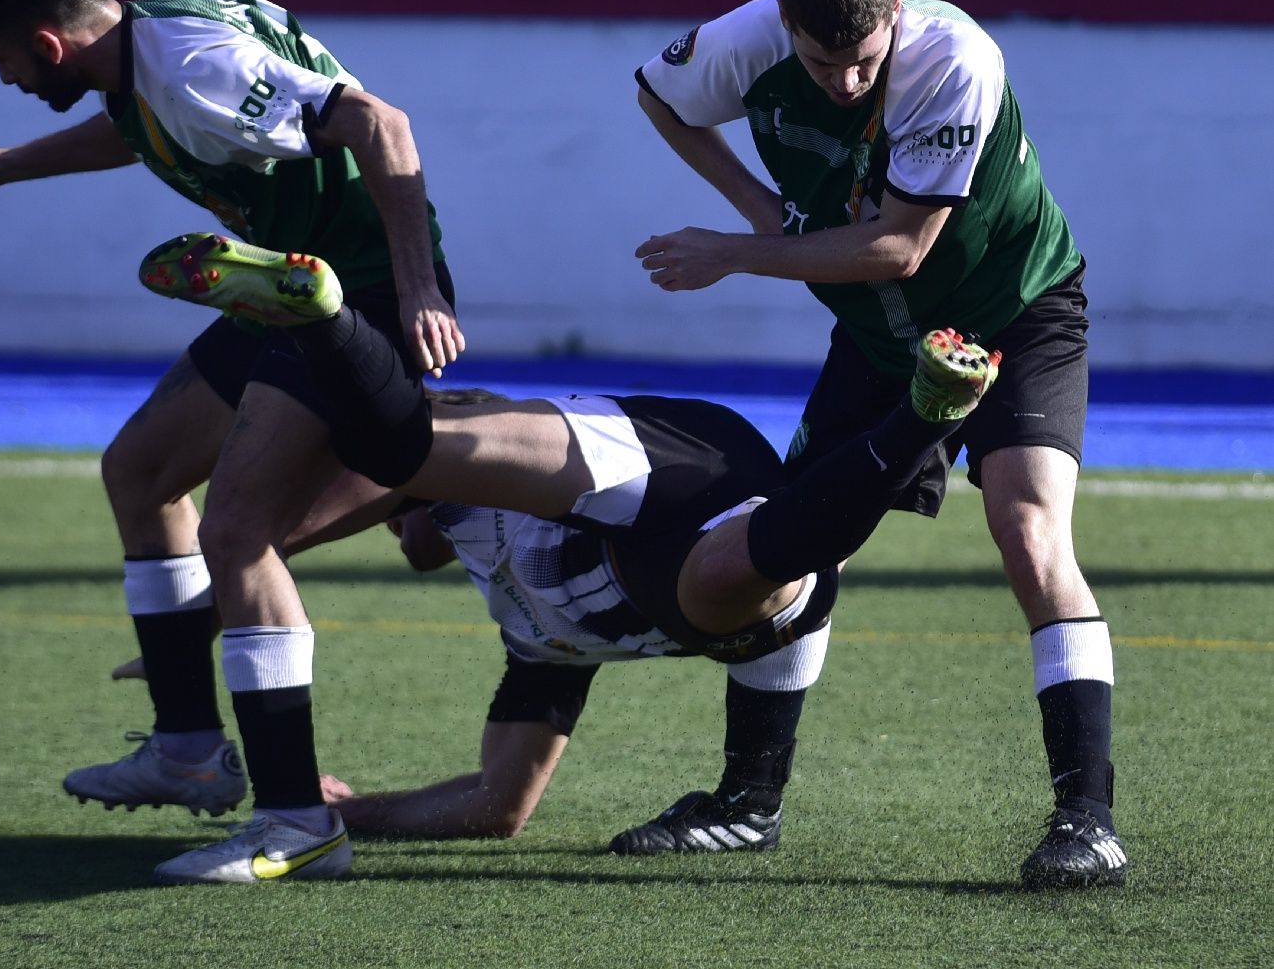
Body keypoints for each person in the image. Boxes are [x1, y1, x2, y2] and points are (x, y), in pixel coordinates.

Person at [131, 230, 1001, 878]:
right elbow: (498, 806)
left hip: (671, 460)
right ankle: (919, 419)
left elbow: (301, 523)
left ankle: (325, 318)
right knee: (728, 586)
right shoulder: (534, 639)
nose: (400, 539)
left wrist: (201, 614)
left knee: (407, 451)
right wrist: (356, 809)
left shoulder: (440, 486)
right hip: (711, 573)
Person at [0, 0, 466, 884]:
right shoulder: (147, 49)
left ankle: (300, 823)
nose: (1, 77)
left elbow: (381, 124)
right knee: (141, 469)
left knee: (240, 532)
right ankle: (185, 748)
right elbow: (136, 127)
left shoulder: (191, 64)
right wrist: (3, 166)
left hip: (358, 296)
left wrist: (418, 288)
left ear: (47, 44)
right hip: (282, 289)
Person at [631, 0, 1123, 890]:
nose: (843, 81)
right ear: (784, 24)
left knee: (1027, 532)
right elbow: (657, 93)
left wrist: (734, 249)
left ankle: (1086, 818)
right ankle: (746, 803)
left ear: (894, 14)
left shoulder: (952, 59)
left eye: (860, 60)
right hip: (873, 336)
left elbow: (900, 248)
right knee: (794, 543)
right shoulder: (746, 40)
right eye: (820, 62)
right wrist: (758, 206)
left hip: (1008, 312)